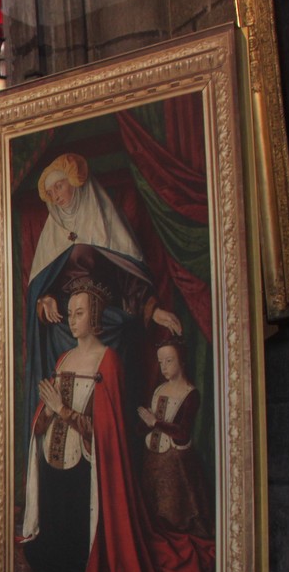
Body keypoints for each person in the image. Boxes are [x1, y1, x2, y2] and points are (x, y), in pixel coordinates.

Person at [19, 280, 213, 572]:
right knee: (47, 551)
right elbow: (46, 415)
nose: (72, 320)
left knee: (79, 555)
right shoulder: (63, 359)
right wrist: (46, 414)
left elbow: (105, 431)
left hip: (85, 468)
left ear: (94, 316)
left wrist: (62, 410)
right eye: (70, 313)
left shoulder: (108, 360)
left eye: (79, 313)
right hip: (54, 462)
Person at [23, 152, 182, 427]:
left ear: (75, 182)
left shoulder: (104, 219)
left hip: (108, 324)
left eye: (59, 186)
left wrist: (153, 309)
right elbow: (45, 286)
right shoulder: (52, 232)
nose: (56, 196)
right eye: (51, 192)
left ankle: (107, 441)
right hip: (65, 329)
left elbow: (128, 277)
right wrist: (45, 300)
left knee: (109, 401)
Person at [137, 339, 213, 540]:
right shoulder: (159, 390)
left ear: (182, 361)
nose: (164, 367)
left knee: (174, 514)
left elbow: (182, 433)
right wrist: (144, 422)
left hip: (176, 462)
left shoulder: (190, 393)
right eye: (160, 362)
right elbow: (145, 427)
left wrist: (155, 422)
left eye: (169, 361)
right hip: (152, 459)